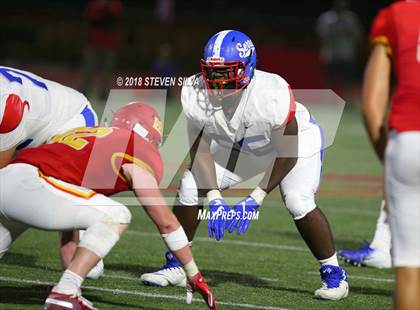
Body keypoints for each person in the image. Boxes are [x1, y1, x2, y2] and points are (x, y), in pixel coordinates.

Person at [140, 30, 349, 300]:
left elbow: (287, 152)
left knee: (298, 200)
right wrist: (215, 198)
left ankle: (334, 274)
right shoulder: (195, 91)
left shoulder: (270, 93)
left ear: (247, 68)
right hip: (244, 145)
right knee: (191, 183)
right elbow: (199, 147)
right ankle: (178, 264)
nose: (218, 80)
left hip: (295, 143)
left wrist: (255, 199)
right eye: (213, 72)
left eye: (227, 71)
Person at [0, 102, 217, 309]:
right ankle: (65, 294)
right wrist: (193, 272)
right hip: (32, 184)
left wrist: (69, 275)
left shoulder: (85, 135)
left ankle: (66, 290)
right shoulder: (137, 146)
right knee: (117, 214)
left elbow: (69, 228)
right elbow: (166, 222)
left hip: (10, 178)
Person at [0, 66, 104, 279]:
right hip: (30, 129)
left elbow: (3, 178)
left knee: (18, 194)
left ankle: (85, 246)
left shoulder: (8, 105)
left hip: (70, 123)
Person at [357, 1, 420, 309]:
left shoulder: (397, 14)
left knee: (410, 270)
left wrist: (390, 163)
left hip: (409, 143)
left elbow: (371, 107)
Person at [316, 0, 364, 99]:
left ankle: (348, 100)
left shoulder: (351, 19)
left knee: (348, 80)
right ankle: (327, 100)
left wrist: (347, 32)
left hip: (347, 54)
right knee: (329, 80)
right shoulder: (326, 18)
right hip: (330, 55)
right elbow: (320, 35)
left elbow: (358, 36)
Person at [79, 0, 123, 101]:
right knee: (88, 69)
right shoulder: (94, 4)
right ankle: (84, 92)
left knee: (107, 70)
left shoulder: (115, 4)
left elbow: (117, 19)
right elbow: (88, 19)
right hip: (93, 42)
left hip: (110, 43)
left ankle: (103, 94)